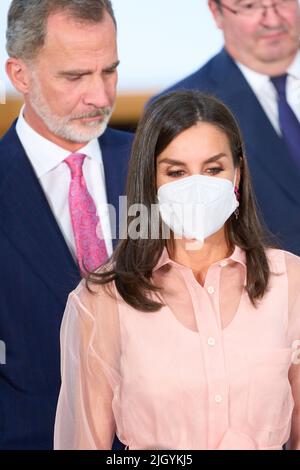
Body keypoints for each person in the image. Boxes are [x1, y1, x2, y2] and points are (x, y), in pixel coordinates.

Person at [54, 90, 300, 450]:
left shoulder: (290, 281)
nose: (196, 187)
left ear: (237, 174)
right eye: (176, 172)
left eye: (213, 169)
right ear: (151, 180)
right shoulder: (103, 298)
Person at [0, 0, 133, 449]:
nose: (100, 96)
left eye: (109, 71)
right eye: (75, 76)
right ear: (19, 75)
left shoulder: (158, 166)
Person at [151, 0, 300, 256]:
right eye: (250, 6)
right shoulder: (179, 107)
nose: (272, 19)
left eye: (283, 1)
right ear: (216, 12)